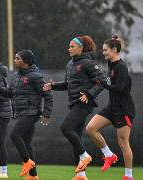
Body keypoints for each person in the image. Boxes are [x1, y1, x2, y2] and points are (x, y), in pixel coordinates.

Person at [43, 36, 106, 180]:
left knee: (65, 128)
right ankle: (81, 175)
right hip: (74, 103)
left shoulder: (89, 63)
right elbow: (67, 84)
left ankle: (85, 156)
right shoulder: (70, 64)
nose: (69, 49)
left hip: (85, 103)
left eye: (72, 46)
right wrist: (53, 86)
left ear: (81, 48)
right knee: (76, 138)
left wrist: (89, 95)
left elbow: (102, 81)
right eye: (69, 46)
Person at [0, 50, 53, 179]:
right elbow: (10, 93)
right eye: (15, 58)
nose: (14, 60)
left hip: (32, 112)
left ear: (25, 61)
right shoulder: (15, 76)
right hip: (21, 112)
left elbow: (48, 95)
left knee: (15, 135)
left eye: (17, 58)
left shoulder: (36, 76)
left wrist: (47, 112)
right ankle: (33, 176)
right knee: (27, 143)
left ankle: (27, 162)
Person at [86, 35, 136, 180]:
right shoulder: (112, 64)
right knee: (91, 128)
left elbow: (119, 88)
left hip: (124, 109)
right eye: (103, 50)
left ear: (114, 50)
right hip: (112, 108)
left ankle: (128, 176)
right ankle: (109, 155)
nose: (104, 53)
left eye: (106, 50)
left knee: (123, 143)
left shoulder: (121, 66)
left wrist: (102, 83)